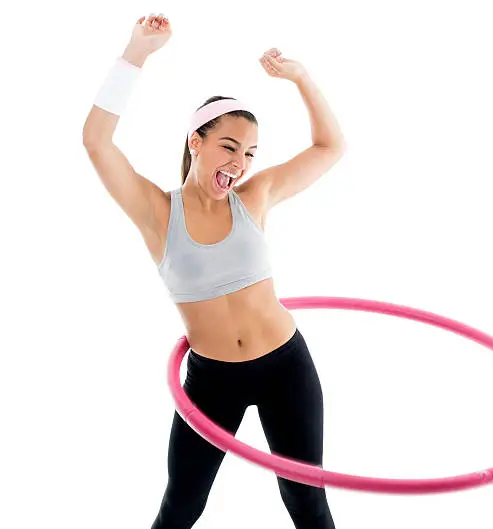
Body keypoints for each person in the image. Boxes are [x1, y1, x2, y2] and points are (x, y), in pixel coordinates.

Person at [82, 13, 346, 529]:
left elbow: (329, 148)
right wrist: (136, 52)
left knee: (307, 503)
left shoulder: (256, 196)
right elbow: (96, 142)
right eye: (228, 147)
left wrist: (302, 78)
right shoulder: (157, 213)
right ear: (195, 143)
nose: (240, 162)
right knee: (181, 507)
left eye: (249, 153)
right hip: (212, 379)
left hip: (285, 366)